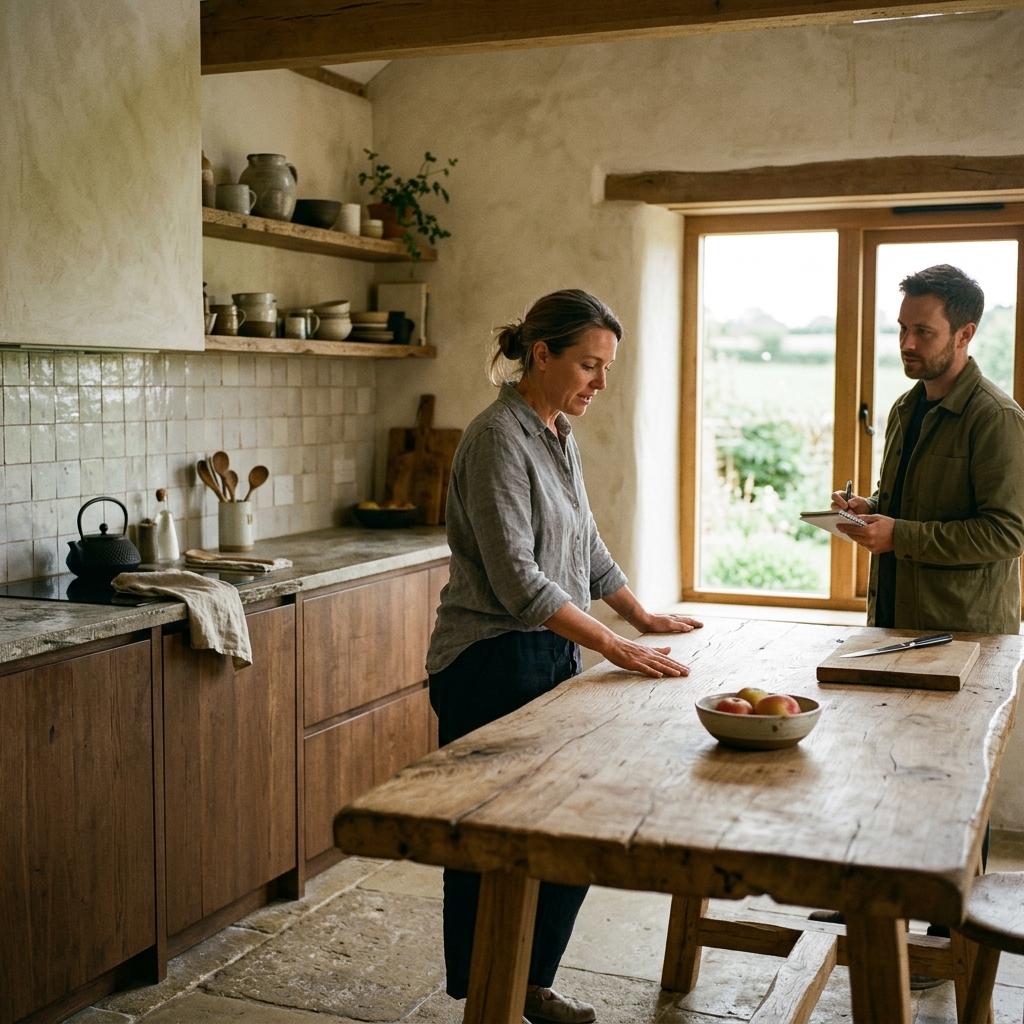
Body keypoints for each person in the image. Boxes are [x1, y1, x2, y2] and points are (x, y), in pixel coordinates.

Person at [426, 288, 703, 1024]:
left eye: (606, 367)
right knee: (492, 841)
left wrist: (641, 614)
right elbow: (519, 580)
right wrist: (614, 644)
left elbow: (583, 540)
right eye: (588, 365)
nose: (599, 384)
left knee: (567, 828)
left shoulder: (556, 433)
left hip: (549, 652)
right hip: (487, 662)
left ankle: (529, 983)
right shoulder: (495, 439)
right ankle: (489, 993)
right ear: (539, 354)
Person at [825, 263, 1024, 988]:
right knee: (886, 775)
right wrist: (866, 509)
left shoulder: (998, 420)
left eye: (923, 331)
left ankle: (949, 933)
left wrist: (899, 535)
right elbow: (905, 505)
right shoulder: (908, 408)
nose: (906, 341)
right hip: (897, 624)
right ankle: (882, 910)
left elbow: (1006, 532)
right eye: (902, 327)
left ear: (965, 334)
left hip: (967, 638)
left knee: (951, 789)